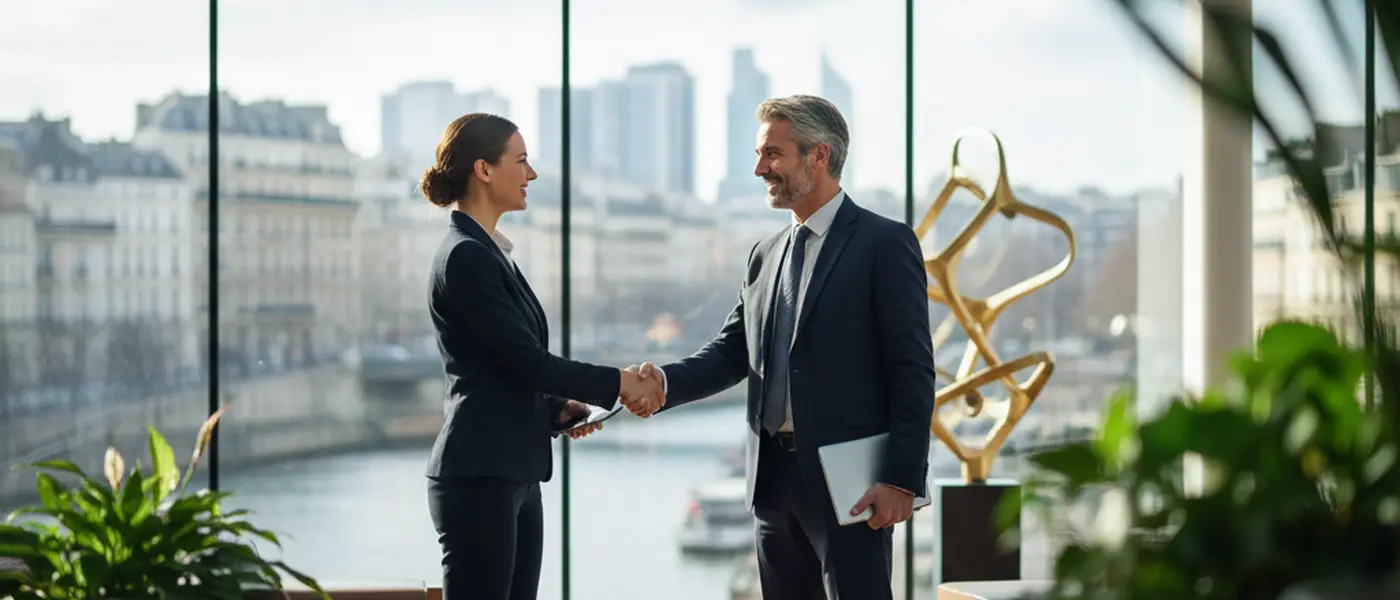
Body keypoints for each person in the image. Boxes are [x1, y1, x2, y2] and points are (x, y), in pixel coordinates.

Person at [631, 95, 936, 600]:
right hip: (772, 485)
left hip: (851, 485)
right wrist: (662, 383)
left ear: (818, 155)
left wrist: (901, 480)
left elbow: (912, 369)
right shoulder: (764, 254)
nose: (759, 169)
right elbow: (733, 352)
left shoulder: (885, 243)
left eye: (772, 154)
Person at [421, 113, 663, 600]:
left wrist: (556, 409)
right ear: (484, 170)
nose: (530, 174)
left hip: (511, 471)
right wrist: (620, 383)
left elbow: (505, 369)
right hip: (481, 473)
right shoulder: (467, 256)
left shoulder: (487, 252)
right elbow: (527, 361)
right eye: (522, 160)